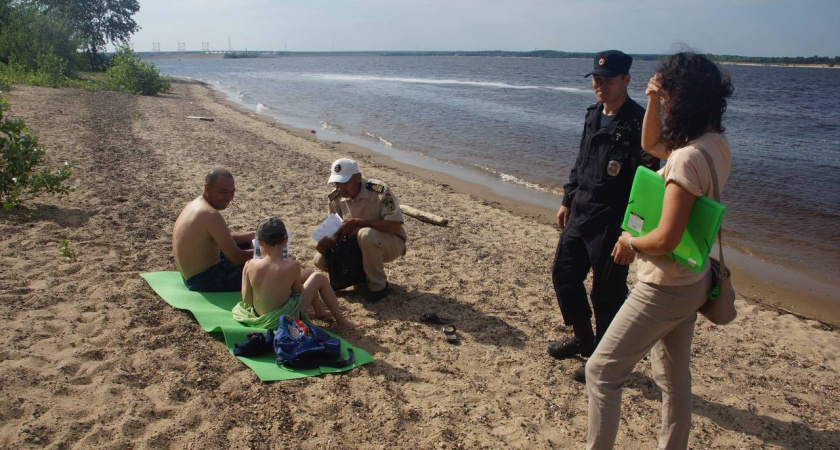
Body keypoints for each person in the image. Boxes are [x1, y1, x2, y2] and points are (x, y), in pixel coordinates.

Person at [585, 52, 734, 449]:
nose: (664, 100)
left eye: (667, 94)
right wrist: (651, 100)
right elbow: (651, 142)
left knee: (601, 371)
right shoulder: (714, 145)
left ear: (683, 97)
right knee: (673, 378)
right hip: (694, 279)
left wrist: (629, 242)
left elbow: (667, 237)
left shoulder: (686, 158)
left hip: (664, 286)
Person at [548, 50, 659, 382]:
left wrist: (632, 235)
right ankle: (584, 338)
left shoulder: (640, 124)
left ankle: (604, 358)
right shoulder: (593, 114)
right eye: (596, 79)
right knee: (564, 275)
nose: (600, 85)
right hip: (581, 210)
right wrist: (567, 198)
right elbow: (581, 159)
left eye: (608, 80)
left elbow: (650, 185)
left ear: (626, 80)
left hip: (613, 222)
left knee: (607, 294)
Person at [234, 217, 361, 330]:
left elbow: (246, 299)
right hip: (283, 320)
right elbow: (296, 292)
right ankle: (342, 321)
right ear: (285, 240)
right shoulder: (292, 265)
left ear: (259, 242)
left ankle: (319, 311)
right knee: (318, 277)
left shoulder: (249, 264)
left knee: (309, 273)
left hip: (259, 316)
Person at [313, 158, 407, 302]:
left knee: (366, 234)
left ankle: (378, 286)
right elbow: (335, 226)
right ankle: (358, 278)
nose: (339, 188)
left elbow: (396, 225)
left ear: (358, 177)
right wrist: (330, 240)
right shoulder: (335, 196)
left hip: (390, 242)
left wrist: (359, 223)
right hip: (356, 245)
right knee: (320, 260)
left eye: (344, 182)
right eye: (336, 183)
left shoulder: (378, 190)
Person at [172, 168, 254, 292]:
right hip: (203, 281)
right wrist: (267, 252)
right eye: (223, 192)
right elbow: (237, 257)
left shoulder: (195, 205)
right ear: (207, 189)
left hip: (190, 275)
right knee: (265, 266)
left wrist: (252, 235)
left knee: (247, 244)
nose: (228, 198)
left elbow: (222, 237)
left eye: (232, 192)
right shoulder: (210, 214)